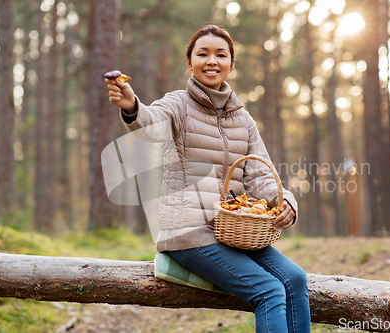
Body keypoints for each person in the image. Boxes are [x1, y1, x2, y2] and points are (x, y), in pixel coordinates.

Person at [105, 24, 310, 333]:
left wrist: (286, 202)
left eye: (220, 54)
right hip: (188, 232)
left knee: (295, 279)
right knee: (268, 290)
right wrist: (132, 107)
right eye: (202, 54)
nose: (211, 61)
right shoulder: (177, 104)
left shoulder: (243, 118)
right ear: (190, 62)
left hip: (230, 232)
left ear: (231, 63)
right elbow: (149, 122)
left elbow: (261, 174)